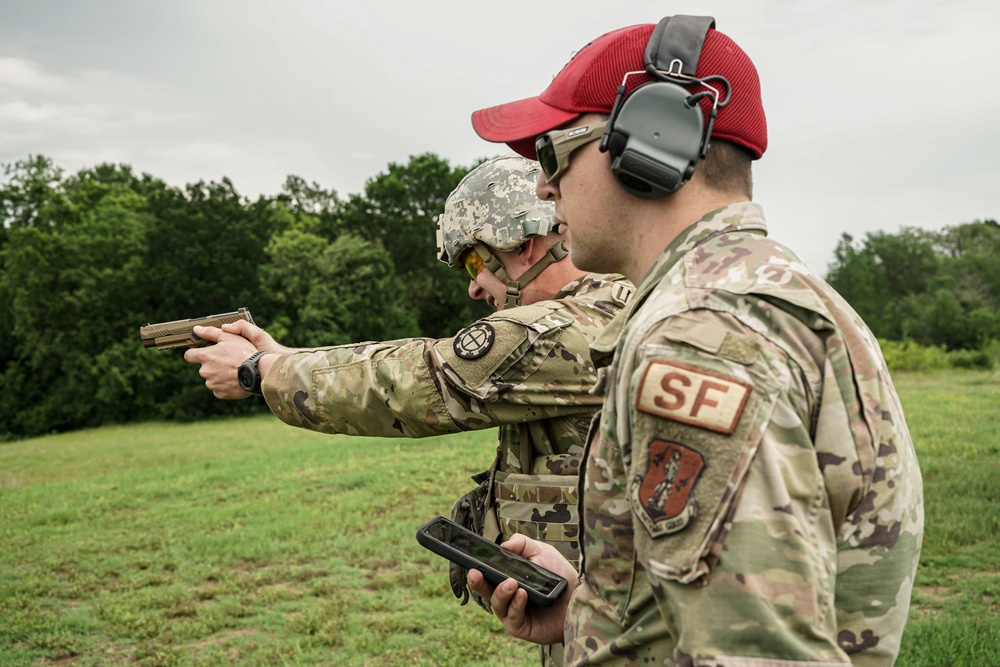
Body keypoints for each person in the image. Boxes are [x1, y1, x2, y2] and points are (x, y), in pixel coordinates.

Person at [466, 15, 924, 667]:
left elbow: (758, 652)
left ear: (649, 138)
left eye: (551, 152)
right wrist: (598, 608)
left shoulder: (697, 335)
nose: (543, 186)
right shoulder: (769, 293)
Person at [184, 154, 633, 666]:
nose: (472, 286)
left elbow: (410, 383)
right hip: (602, 613)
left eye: (473, 262)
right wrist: (283, 359)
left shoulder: (559, 330)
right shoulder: (615, 302)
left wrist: (257, 371)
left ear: (522, 244)